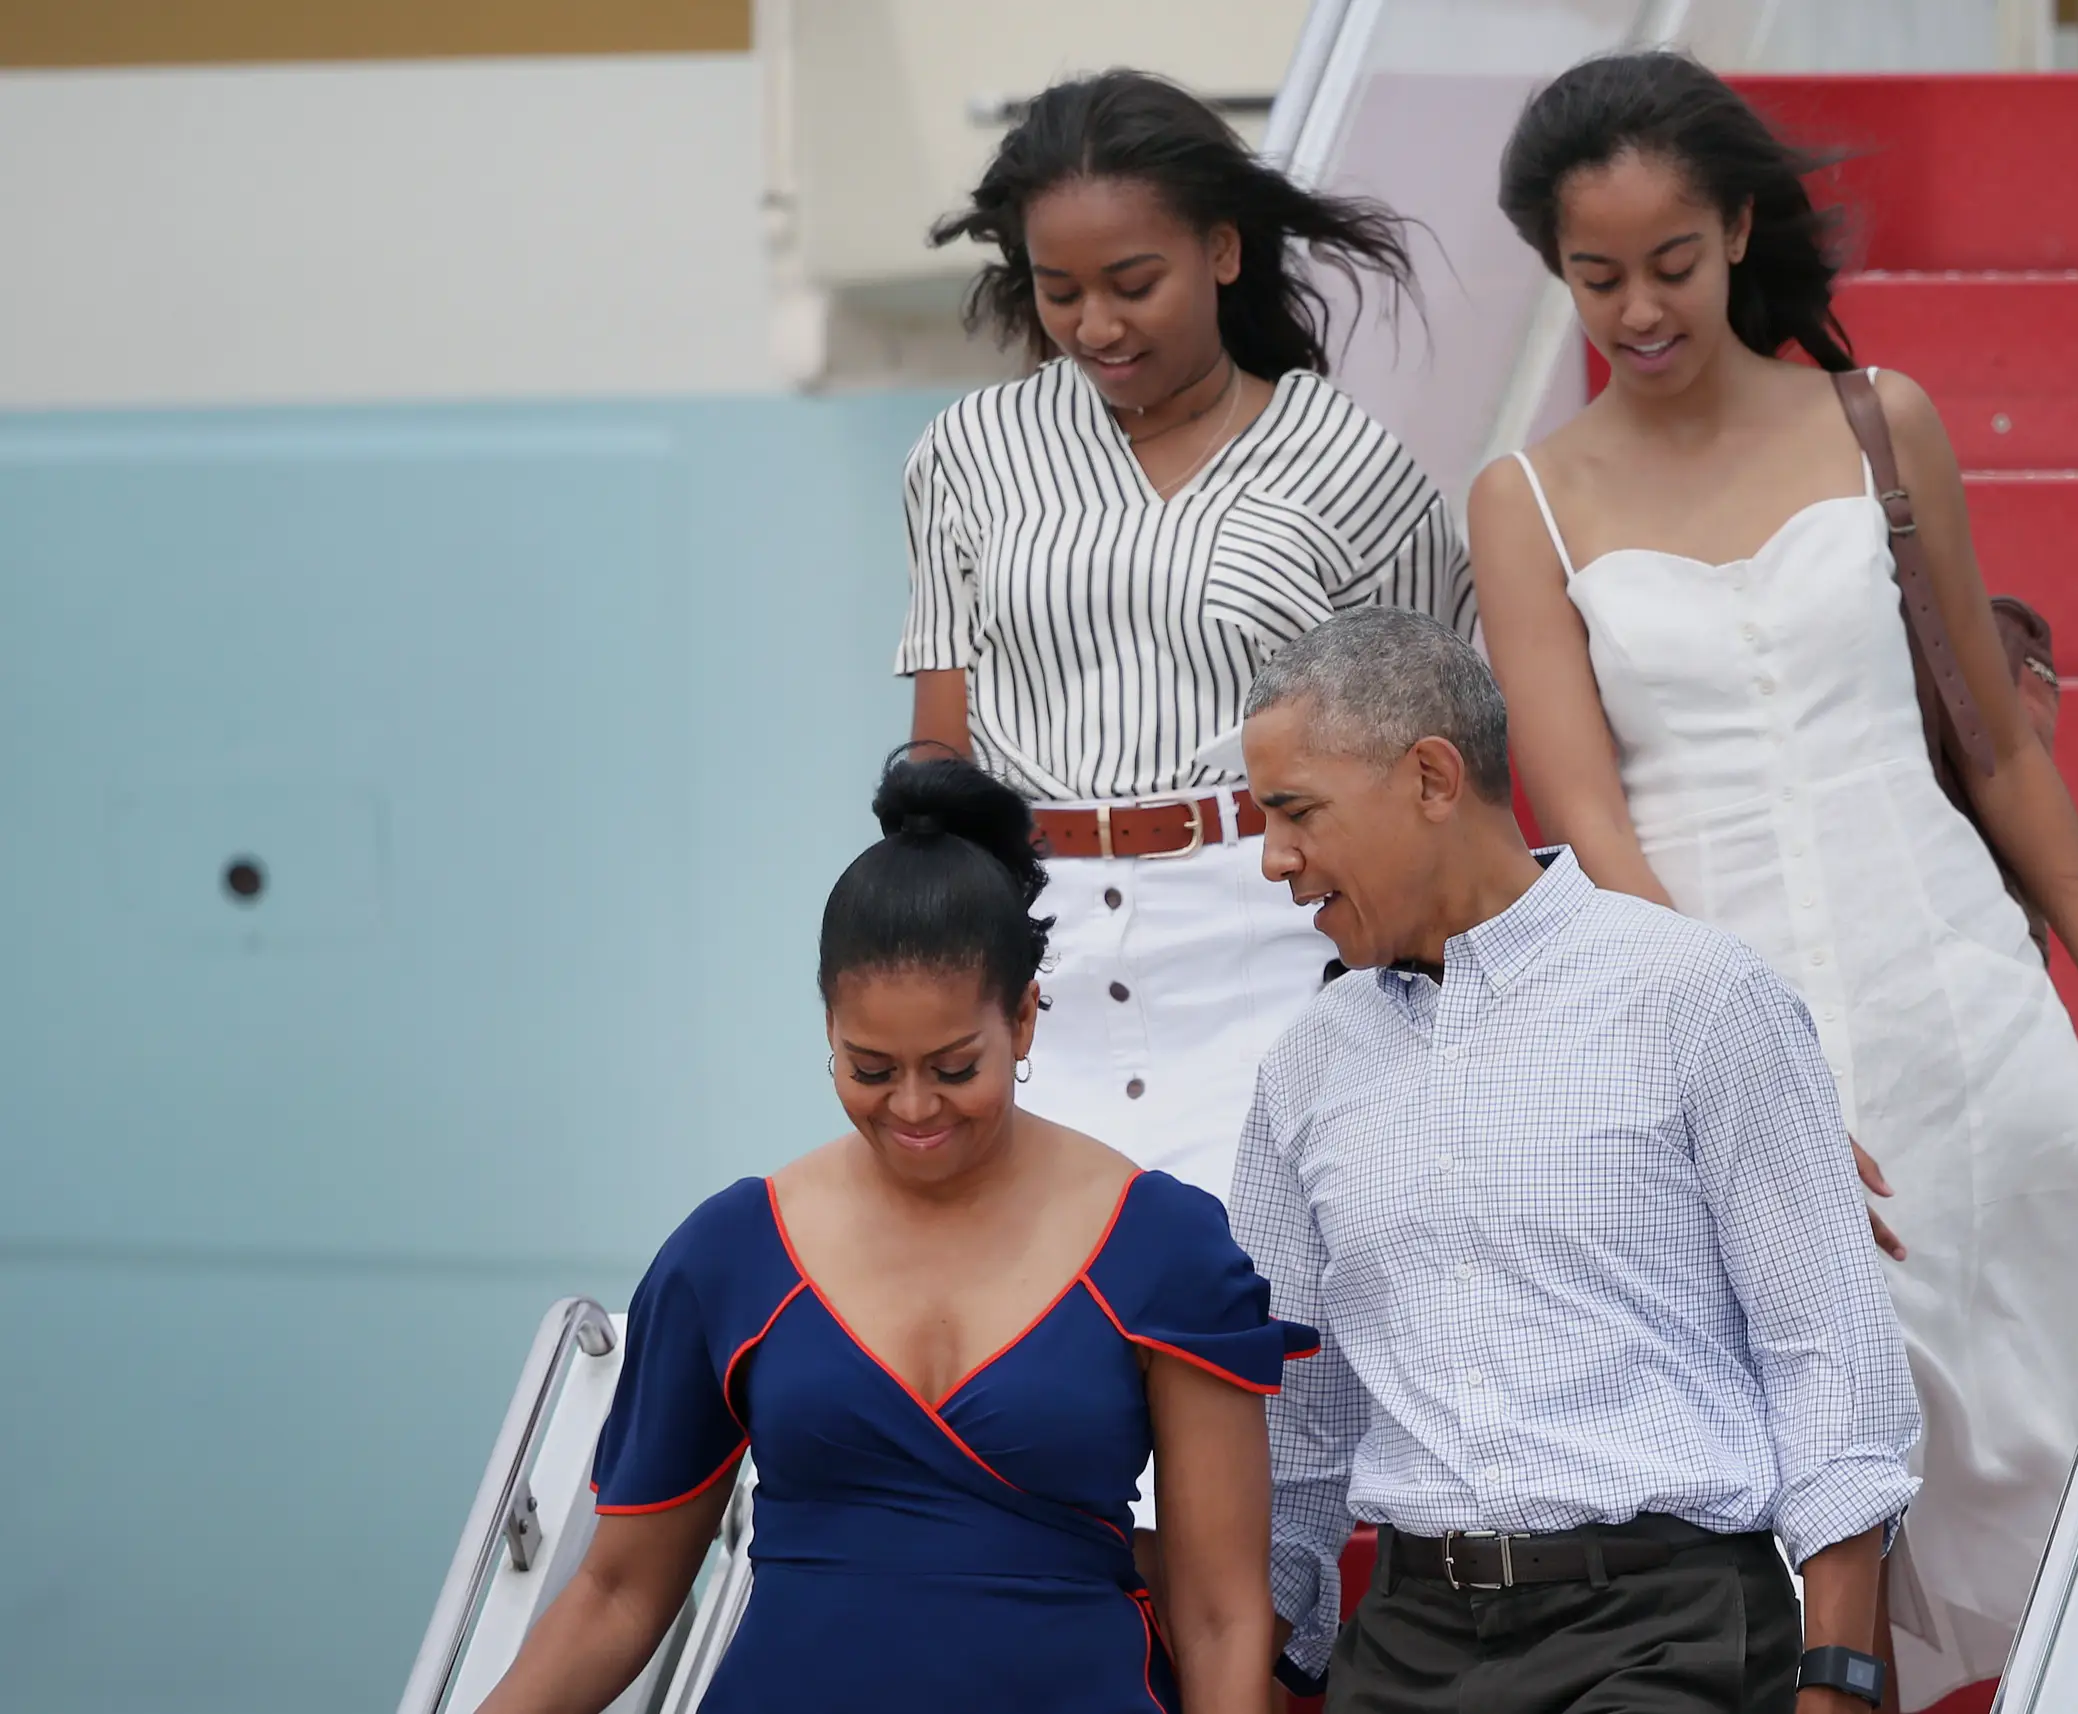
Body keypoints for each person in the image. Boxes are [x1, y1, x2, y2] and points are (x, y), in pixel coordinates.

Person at [1465, 51, 2078, 1703]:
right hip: (1708, 982)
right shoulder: (1524, 497)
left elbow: (1991, 744)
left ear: (1737, 225)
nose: (1635, 305)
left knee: (2070, 1377)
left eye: (1670, 262)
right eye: (1593, 272)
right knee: (1806, 1441)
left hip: (1947, 972)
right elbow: (1591, 822)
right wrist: (1728, 1061)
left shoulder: (1877, 419)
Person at [473, 753, 1313, 1714]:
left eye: (956, 1067)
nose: (914, 1108)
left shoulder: (1163, 1244)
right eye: (869, 1068)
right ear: (827, 1027)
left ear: (1025, 1020)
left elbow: (1220, 1613)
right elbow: (618, 1591)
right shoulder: (731, 1253)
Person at [1228, 610, 1921, 1714]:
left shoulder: (1698, 996)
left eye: (1295, 811)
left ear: (1432, 777)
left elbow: (1833, 1368)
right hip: (1405, 1646)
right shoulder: (1304, 1068)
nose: (1275, 859)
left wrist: (1837, 1683)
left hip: (1665, 1633)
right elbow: (1292, 1436)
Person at [900, 68, 1473, 1260]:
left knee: (1267, 1321)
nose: (1096, 326)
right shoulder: (969, 452)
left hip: (1276, 937)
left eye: (1132, 282)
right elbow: (940, 763)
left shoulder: (1349, 460)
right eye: (1060, 292)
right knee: (1057, 1336)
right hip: (1038, 949)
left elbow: (1439, 763)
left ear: (1222, 250)